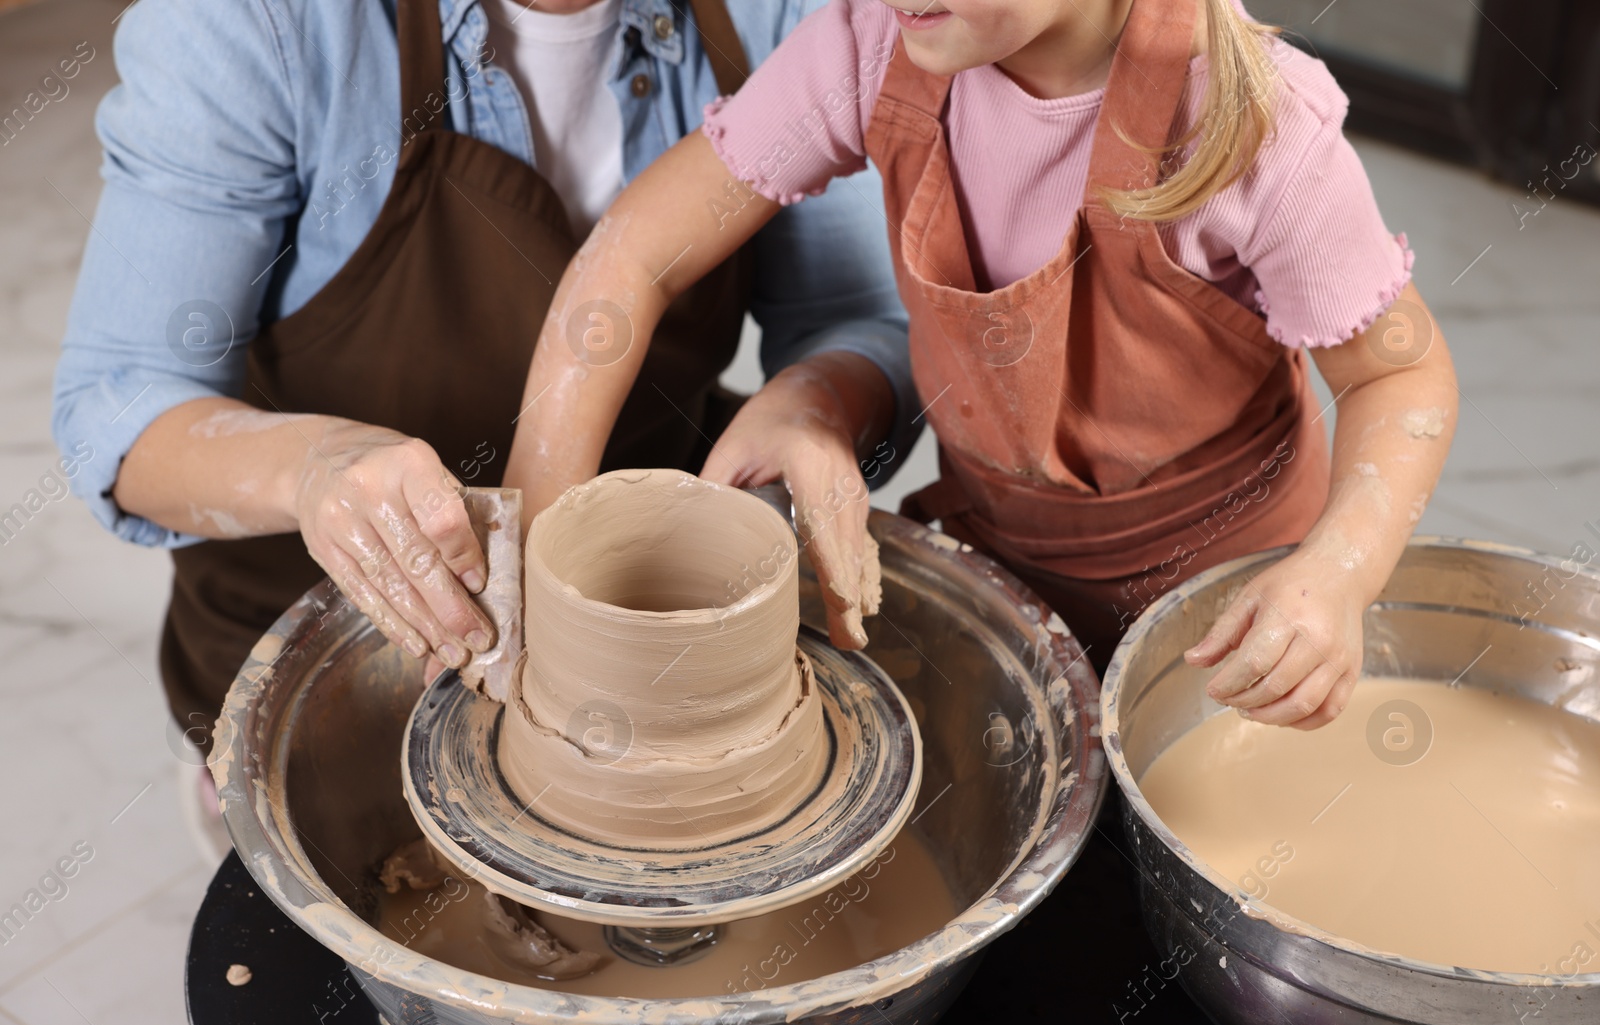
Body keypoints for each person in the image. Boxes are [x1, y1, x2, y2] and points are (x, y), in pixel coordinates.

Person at [501, 0, 1460, 729]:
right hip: (1004, 569)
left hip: (1229, 616)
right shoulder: (875, 42)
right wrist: (534, 540)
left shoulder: (1254, 123)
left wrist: (1336, 574)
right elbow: (632, 254)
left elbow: (1400, 378)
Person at [52, 0, 915, 758]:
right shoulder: (259, 23)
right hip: (326, 650)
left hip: (651, 641)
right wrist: (313, 466)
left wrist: (823, 394)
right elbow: (117, 408)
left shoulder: (791, 17)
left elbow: (861, 316)